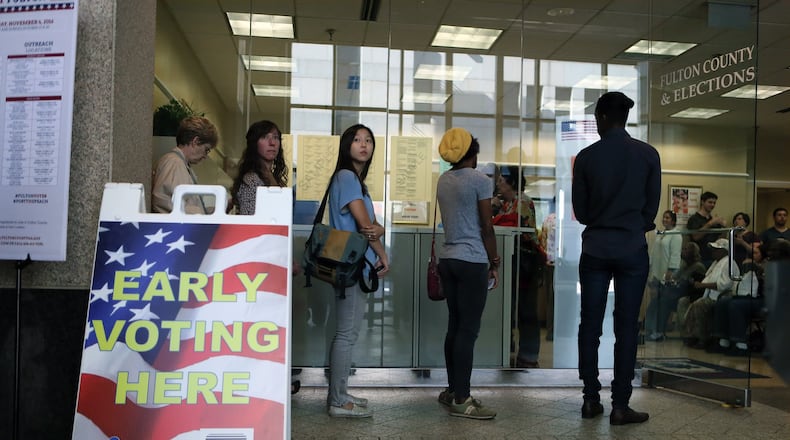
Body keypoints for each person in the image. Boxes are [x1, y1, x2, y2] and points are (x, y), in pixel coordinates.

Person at [571, 91, 660, 425]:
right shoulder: (648, 155)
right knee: (627, 329)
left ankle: (590, 399)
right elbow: (651, 209)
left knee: (589, 326)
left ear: (603, 118)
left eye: (596, 118)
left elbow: (581, 211)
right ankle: (621, 405)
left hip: (595, 248)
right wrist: (632, 223)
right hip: (632, 249)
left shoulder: (586, 157)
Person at [325, 124, 390, 418]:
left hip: (353, 266)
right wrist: (382, 252)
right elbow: (368, 227)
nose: (363, 145)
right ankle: (338, 401)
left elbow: (375, 225)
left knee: (347, 333)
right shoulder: (347, 177)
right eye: (356, 140)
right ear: (346, 145)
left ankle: (341, 393)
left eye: (368, 140)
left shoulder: (355, 181)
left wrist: (379, 229)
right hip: (351, 266)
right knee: (346, 335)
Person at [435, 127, 499, 420]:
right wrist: (494, 260)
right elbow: (486, 226)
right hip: (472, 261)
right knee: (468, 331)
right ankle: (463, 398)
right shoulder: (480, 180)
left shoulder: (443, 179)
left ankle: (453, 390)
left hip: (447, 260)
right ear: (472, 154)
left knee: (455, 326)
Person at [494, 168, 544, 368]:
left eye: (501, 181)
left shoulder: (522, 202)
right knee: (511, 309)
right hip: (512, 263)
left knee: (526, 310)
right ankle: (509, 350)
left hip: (524, 264)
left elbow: (514, 229)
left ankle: (529, 355)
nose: (498, 185)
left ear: (512, 183)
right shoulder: (506, 204)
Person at [152, 116, 218, 214]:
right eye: (206, 149)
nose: (205, 156)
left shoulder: (180, 164)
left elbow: (183, 205)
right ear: (195, 142)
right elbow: (164, 202)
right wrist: (200, 215)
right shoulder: (174, 162)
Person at [682, 238, 739, 349]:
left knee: (700, 305)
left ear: (724, 251)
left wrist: (703, 285)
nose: (713, 252)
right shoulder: (716, 263)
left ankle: (702, 338)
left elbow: (724, 285)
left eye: (716, 250)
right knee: (684, 301)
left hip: (721, 296)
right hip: (707, 293)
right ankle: (689, 335)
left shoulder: (729, 263)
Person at [712, 244, 765, 356]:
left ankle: (741, 345)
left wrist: (759, 270)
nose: (752, 255)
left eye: (755, 253)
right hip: (751, 298)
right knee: (723, 302)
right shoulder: (749, 265)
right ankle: (723, 341)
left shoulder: (768, 265)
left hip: (765, 300)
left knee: (736, 305)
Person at [231, 120, 289, 214]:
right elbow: (250, 222)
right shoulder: (251, 180)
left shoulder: (274, 177)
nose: (272, 143)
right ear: (254, 144)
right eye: (265, 137)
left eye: (276, 137)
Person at [643, 211, 682, 341]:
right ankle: (651, 329)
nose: (665, 220)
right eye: (664, 217)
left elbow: (675, 254)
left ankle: (659, 331)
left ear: (673, 220)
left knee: (662, 305)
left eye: (668, 218)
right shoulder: (661, 234)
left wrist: (670, 271)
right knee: (655, 303)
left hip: (668, 274)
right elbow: (654, 253)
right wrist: (651, 271)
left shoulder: (676, 235)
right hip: (657, 272)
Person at [685, 192, 726, 267]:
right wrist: (710, 224)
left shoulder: (713, 220)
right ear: (702, 202)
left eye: (714, 203)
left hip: (713, 258)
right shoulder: (694, 219)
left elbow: (721, 239)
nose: (712, 205)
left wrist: (723, 227)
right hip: (698, 259)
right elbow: (696, 237)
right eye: (710, 202)